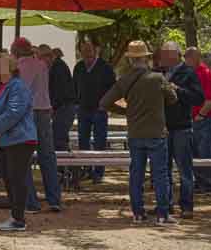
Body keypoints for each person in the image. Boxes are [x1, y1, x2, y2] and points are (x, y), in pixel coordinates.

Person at [100, 41, 178, 225]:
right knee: (160, 175)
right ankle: (162, 214)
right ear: (146, 58)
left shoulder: (124, 80)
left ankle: (138, 213)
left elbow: (104, 103)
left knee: (136, 175)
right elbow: (173, 99)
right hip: (156, 133)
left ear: (130, 60)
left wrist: (126, 111)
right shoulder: (158, 78)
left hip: (135, 133)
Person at [0, 51, 37, 232]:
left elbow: (14, 112)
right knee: (8, 178)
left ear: (9, 67)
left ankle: (18, 219)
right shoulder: (1, 88)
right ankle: (15, 216)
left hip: (19, 140)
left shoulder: (18, 86)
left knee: (16, 179)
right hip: (5, 141)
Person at [12, 37, 61, 213]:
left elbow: (21, 93)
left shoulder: (19, 68)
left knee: (23, 157)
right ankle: (54, 199)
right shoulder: (42, 65)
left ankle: (31, 202)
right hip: (44, 111)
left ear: (16, 51)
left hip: (28, 113)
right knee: (47, 156)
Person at [158, 41, 204, 219]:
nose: (161, 57)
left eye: (164, 54)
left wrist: (178, 90)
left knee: (184, 170)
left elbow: (198, 98)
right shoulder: (159, 72)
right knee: (164, 169)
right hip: (163, 128)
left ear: (175, 55)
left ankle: (187, 206)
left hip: (182, 128)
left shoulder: (188, 72)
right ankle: (166, 205)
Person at [73, 40, 116, 182]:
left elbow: (113, 88)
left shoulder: (105, 67)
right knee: (83, 141)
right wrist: (77, 103)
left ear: (96, 49)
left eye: (89, 48)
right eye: (83, 49)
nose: (86, 52)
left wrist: (106, 105)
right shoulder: (79, 67)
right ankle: (86, 169)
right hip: (83, 110)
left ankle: (98, 172)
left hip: (99, 110)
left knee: (100, 142)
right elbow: (75, 87)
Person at [185, 47, 211, 193]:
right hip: (194, 119)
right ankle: (200, 182)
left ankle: (209, 184)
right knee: (195, 152)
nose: (186, 61)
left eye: (188, 58)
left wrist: (201, 115)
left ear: (195, 58)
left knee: (205, 150)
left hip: (205, 118)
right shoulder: (191, 73)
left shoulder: (206, 73)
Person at [41, 44, 76, 153]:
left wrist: (51, 106)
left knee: (58, 140)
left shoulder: (57, 67)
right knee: (60, 139)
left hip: (64, 108)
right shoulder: (58, 66)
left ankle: (64, 162)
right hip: (64, 107)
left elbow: (59, 91)